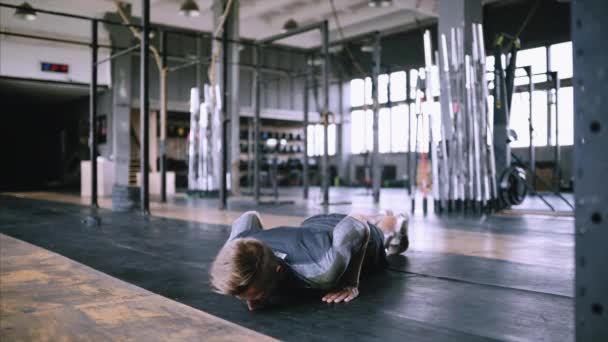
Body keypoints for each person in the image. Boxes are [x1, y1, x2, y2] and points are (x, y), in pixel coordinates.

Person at [210, 210, 409, 311]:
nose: (251, 303)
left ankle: (393, 219)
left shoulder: (321, 270)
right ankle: (377, 214)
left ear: (278, 271)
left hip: (354, 235)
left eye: (257, 295)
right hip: (312, 224)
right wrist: (252, 291)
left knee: (391, 241)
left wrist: (349, 282)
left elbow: (357, 227)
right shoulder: (236, 244)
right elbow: (248, 216)